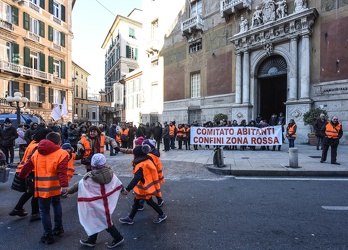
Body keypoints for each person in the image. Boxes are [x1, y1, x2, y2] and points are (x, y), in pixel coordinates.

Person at [19, 132, 69, 245]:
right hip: (55, 186)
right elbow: (62, 171)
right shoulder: (62, 153)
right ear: (58, 142)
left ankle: (48, 235)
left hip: (41, 187)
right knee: (56, 205)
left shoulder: (37, 152)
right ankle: (58, 227)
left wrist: (21, 176)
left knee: (44, 211)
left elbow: (27, 165)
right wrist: (64, 186)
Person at [67, 154, 124, 248]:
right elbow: (117, 183)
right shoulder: (110, 173)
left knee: (104, 221)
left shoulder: (88, 178)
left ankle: (118, 237)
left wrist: (67, 192)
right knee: (100, 220)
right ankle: (92, 240)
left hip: (95, 204)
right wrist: (123, 190)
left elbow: (77, 185)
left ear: (92, 164)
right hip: (105, 203)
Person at [9, 128, 52, 222]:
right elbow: (35, 160)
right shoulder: (38, 146)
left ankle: (18, 209)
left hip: (26, 170)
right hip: (33, 171)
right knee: (35, 193)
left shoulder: (33, 143)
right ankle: (34, 213)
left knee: (31, 192)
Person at [119, 145, 167, 225]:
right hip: (144, 187)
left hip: (144, 188)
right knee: (137, 201)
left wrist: (127, 189)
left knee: (148, 201)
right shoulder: (146, 160)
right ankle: (130, 218)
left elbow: (136, 178)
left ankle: (162, 215)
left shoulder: (141, 164)